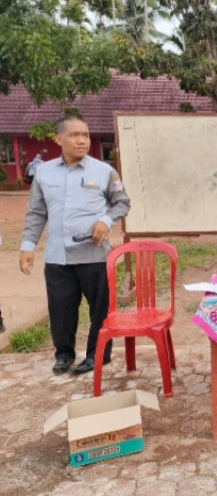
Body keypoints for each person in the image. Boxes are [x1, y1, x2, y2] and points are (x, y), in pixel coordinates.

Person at [19, 115, 131, 375]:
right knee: (61, 308)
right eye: (74, 135)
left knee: (100, 310)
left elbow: (122, 202)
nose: (82, 140)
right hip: (58, 256)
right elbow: (36, 213)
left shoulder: (103, 171)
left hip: (94, 255)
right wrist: (27, 245)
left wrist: (105, 220)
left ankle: (98, 355)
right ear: (58, 139)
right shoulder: (43, 173)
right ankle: (64, 354)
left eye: (85, 135)